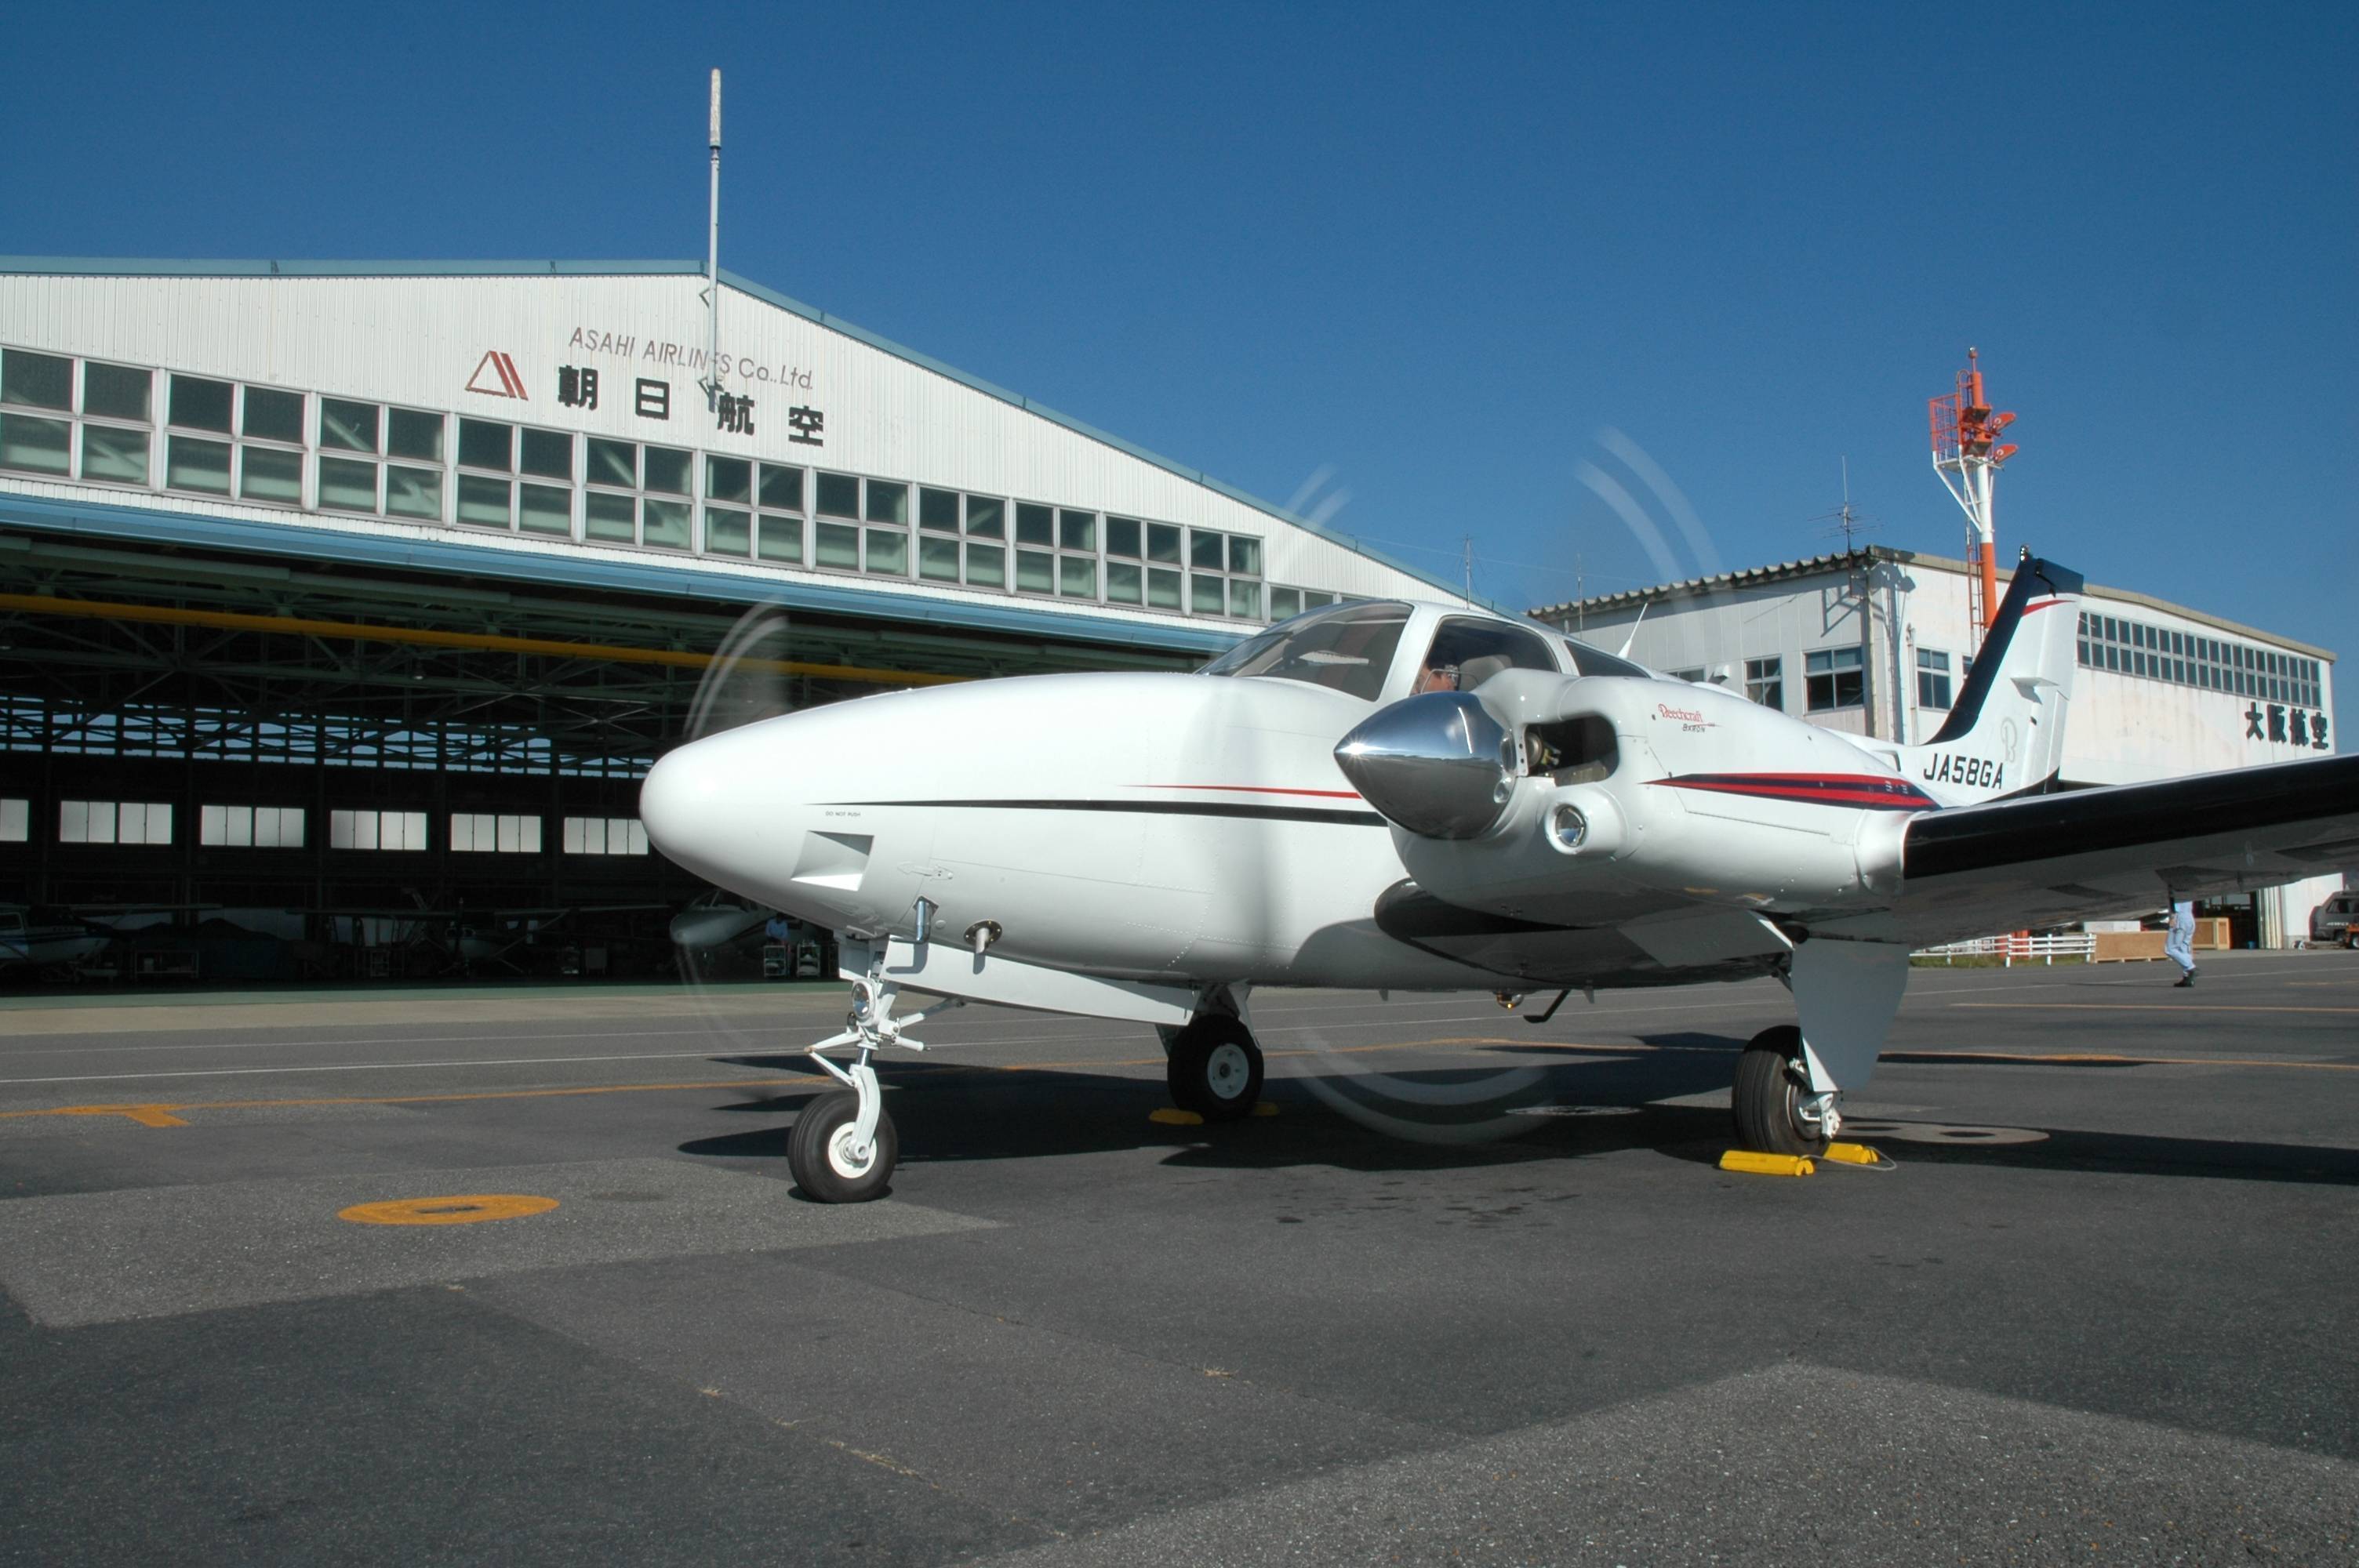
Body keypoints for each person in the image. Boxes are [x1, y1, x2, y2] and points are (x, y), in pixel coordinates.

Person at [2165, 898, 2197, 986]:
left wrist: (2172, 918)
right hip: (2190, 918)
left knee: (2170, 949)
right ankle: (2187, 978)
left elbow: (2174, 904)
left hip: (2180, 918)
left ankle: (2190, 967)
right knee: (2184, 947)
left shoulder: (2174, 888)